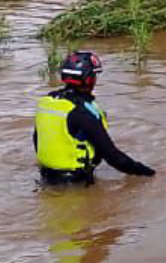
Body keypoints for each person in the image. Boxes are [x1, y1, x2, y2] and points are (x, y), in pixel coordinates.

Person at [34, 50, 156, 185]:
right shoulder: (82, 113)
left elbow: (37, 139)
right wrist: (148, 173)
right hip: (75, 185)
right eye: (94, 76)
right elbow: (114, 158)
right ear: (88, 79)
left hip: (45, 179)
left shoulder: (46, 103)